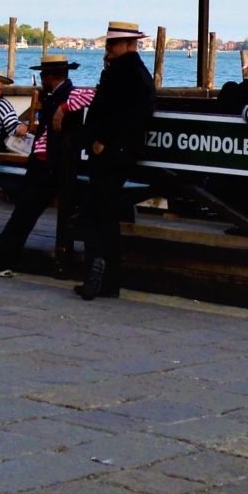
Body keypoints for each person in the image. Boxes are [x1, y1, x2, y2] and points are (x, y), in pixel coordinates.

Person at [0, 53, 93, 277]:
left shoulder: (69, 93)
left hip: (53, 166)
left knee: (24, 213)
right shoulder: (54, 94)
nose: (41, 78)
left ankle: (0, 257)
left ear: (50, 76)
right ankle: (1, 256)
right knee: (23, 213)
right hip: (43, 164)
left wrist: (63, 108)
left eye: (43, 75)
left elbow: (92, 95)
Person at [77, 21, 157, 301]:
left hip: (112, 151)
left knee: (97, 212)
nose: (108, 48)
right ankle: (108, 279)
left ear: (127, 44)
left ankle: (97, 267)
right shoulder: (136, 72)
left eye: (111, 43)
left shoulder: (123, 73)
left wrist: (102, 141)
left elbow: (118, 113)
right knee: (105, 212)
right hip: (122, 150)